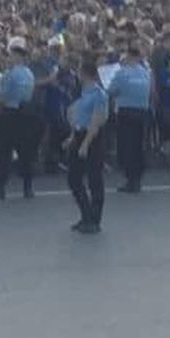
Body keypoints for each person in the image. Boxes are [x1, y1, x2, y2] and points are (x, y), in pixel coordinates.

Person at [0, 40, 36, 200]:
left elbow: (1, 95)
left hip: (10, 113)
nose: (10, 58)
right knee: (26, 151)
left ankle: (0, 188)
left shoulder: (10, 73)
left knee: (4, 152)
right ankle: (28, 187)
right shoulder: (29, 74)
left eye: (12, 55)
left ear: (17, 56)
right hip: (26, 114)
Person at [65, 58, 109, 235]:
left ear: (85, 73)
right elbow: (77, 115)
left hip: (92, 137)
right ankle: (86, 214)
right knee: (73, 178)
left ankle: (94, 219)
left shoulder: (99, 94)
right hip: (79, 133)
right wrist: (72, 136)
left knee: (94, 178)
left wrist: (85, 143)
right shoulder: (83, 91)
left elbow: (96, 121)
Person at [108, 46, 152, 193]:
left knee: (127, 146)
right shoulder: (145, 73)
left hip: (126, 112)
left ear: (128, 57)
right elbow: (150, 91)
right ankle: (137, 178)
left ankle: (131, 179)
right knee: (138, 145)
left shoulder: (122, 73)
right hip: (142, 111)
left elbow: (111, 90)